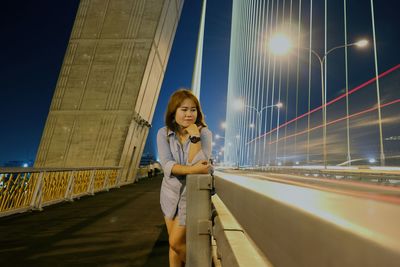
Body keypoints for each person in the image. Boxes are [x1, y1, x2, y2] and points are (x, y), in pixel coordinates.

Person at [157, 89, 212, 267]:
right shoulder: (163, 134)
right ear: (174, 112)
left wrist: (195, 136)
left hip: (192, 196)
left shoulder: (204, 134)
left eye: (193, 109)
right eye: (184, 109)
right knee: (173, 248)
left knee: (176, 242)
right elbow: (166, 165)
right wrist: (191, 169)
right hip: (170, 194)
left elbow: (201, 166)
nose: (189, 114)